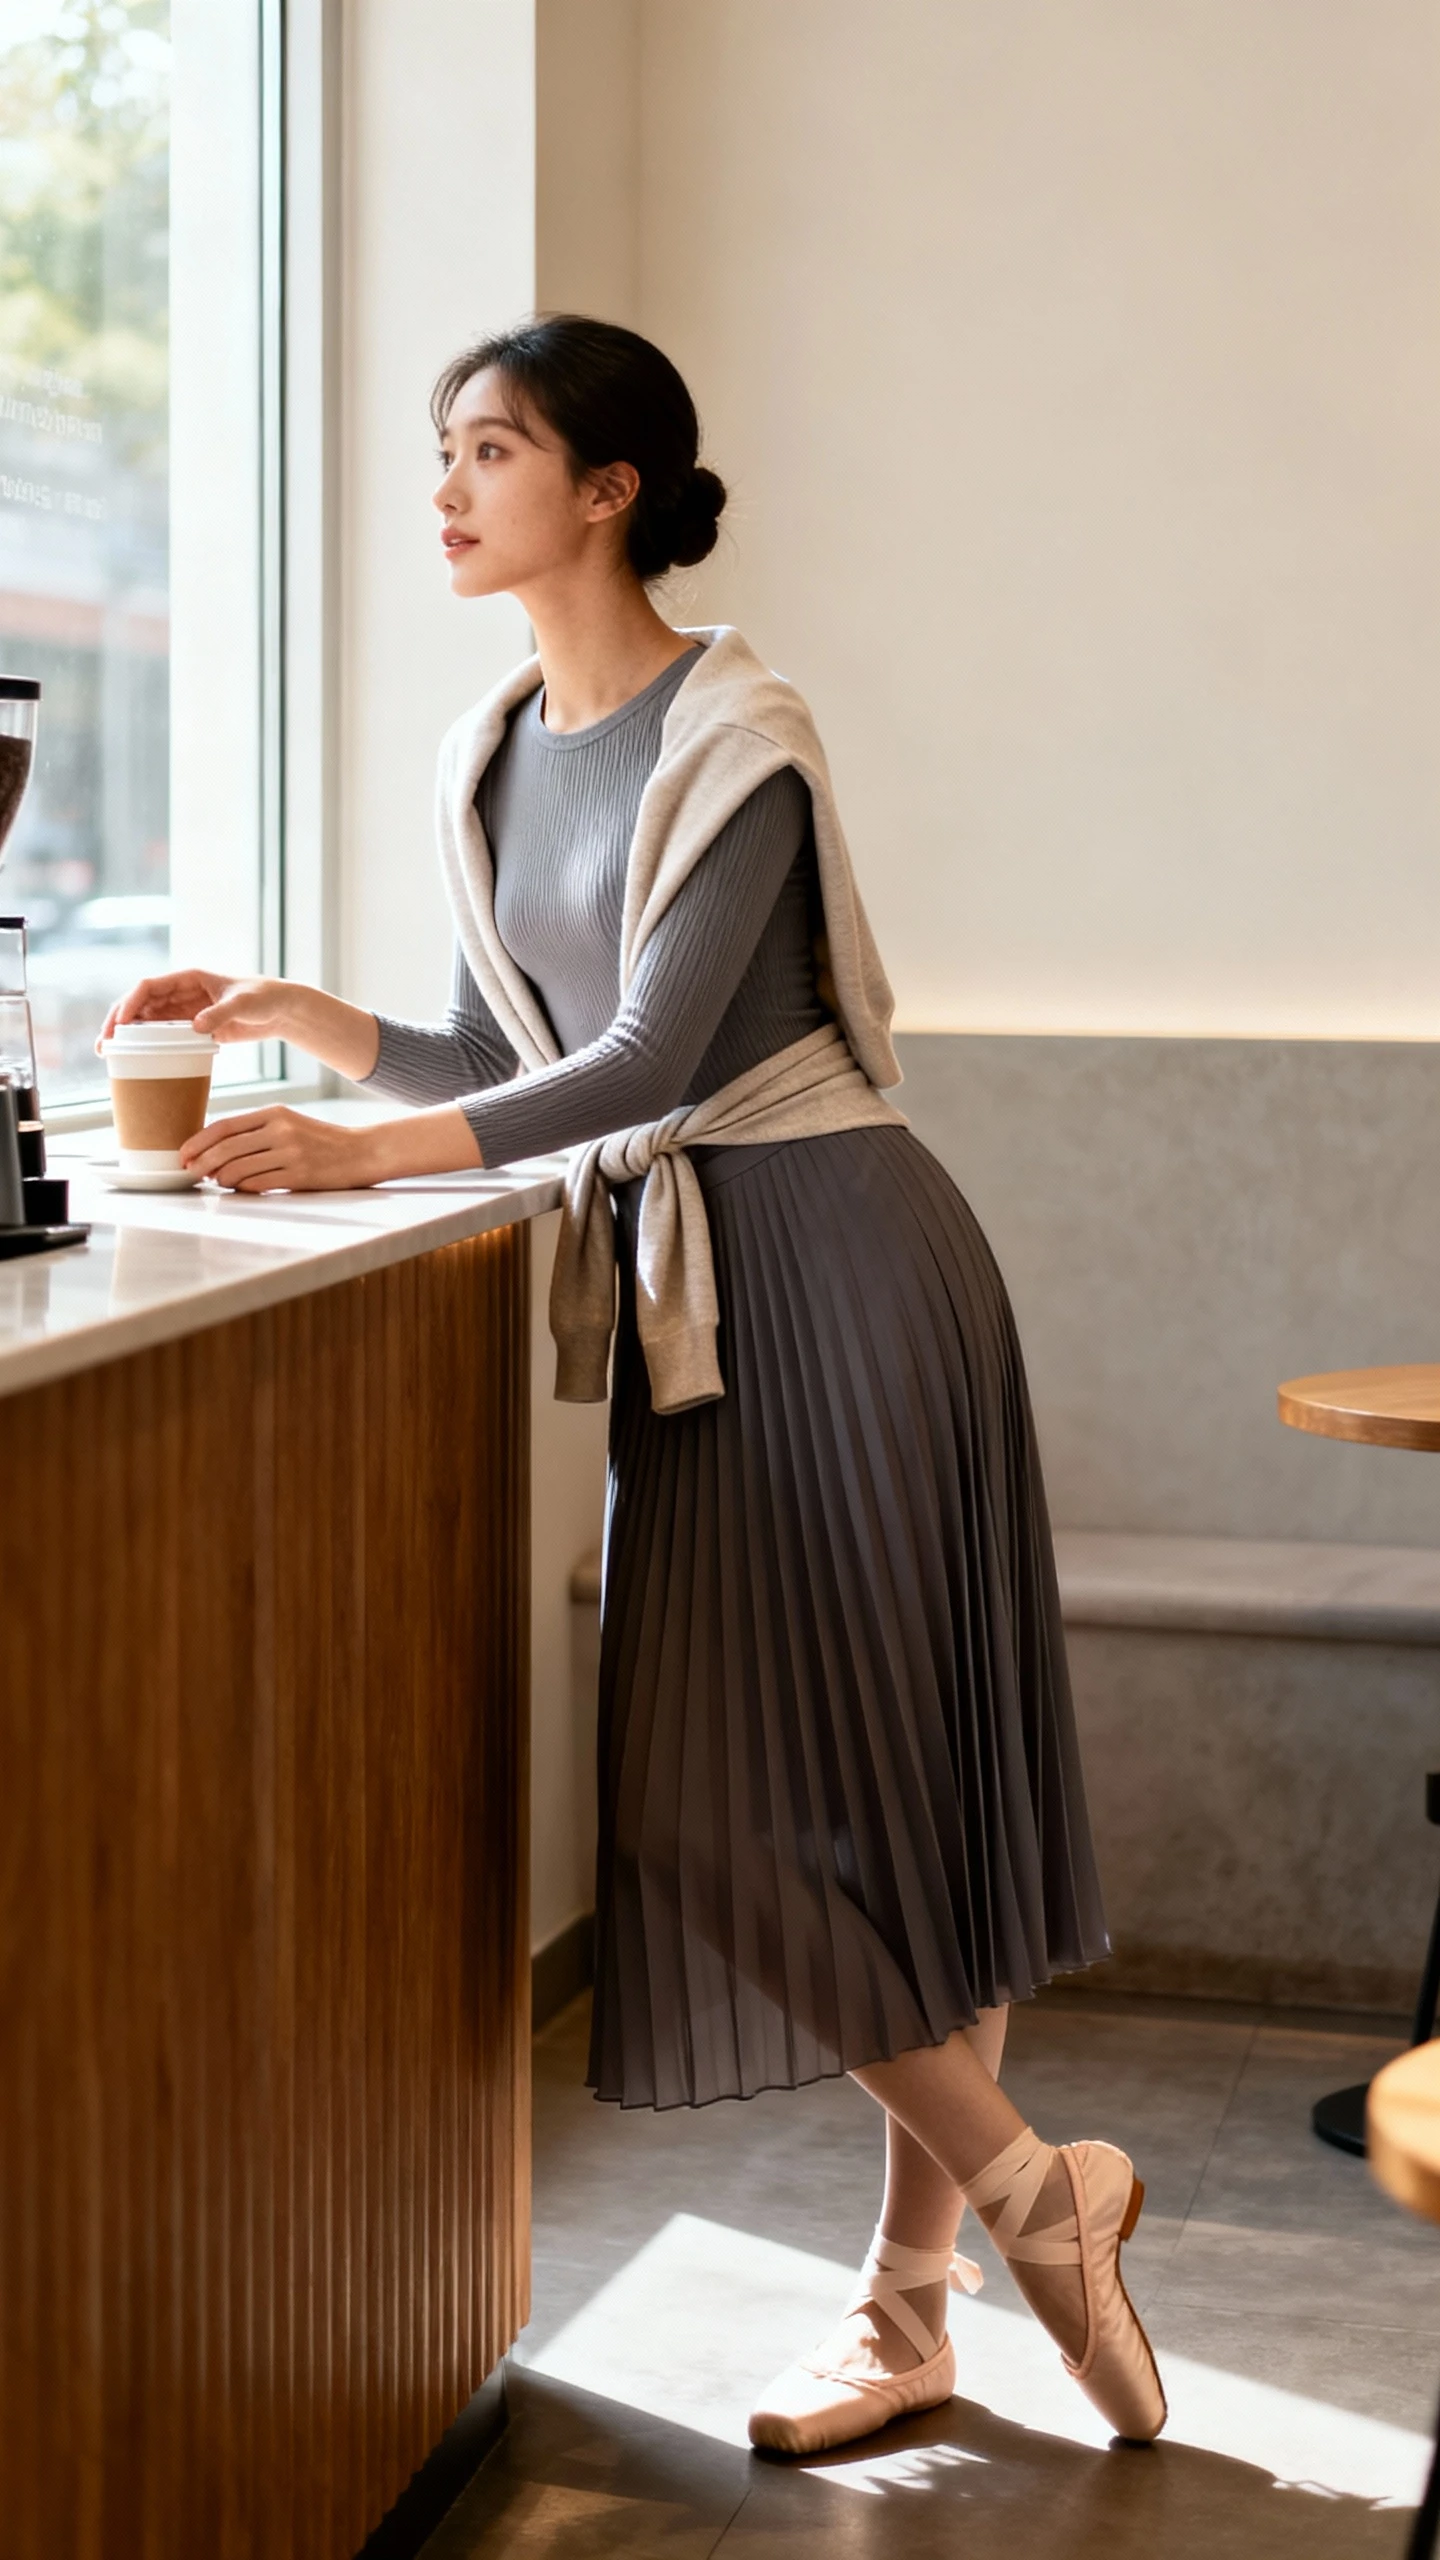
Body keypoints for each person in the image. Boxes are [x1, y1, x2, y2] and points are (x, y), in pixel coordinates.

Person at [103, 314, 1165, 2457]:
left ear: (607, 489)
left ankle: (915, 2288)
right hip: (709, 1296)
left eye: (492, 447)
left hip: (850, 1268)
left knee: (900, 1787)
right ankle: (1036, 2192)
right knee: (708, 1811)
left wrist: (366, 1147)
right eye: (442, 449)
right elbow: (520, 1059)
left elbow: (654, 1067)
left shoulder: (739, 728)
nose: (447, 483)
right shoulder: (489, 749)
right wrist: (324, 1026)